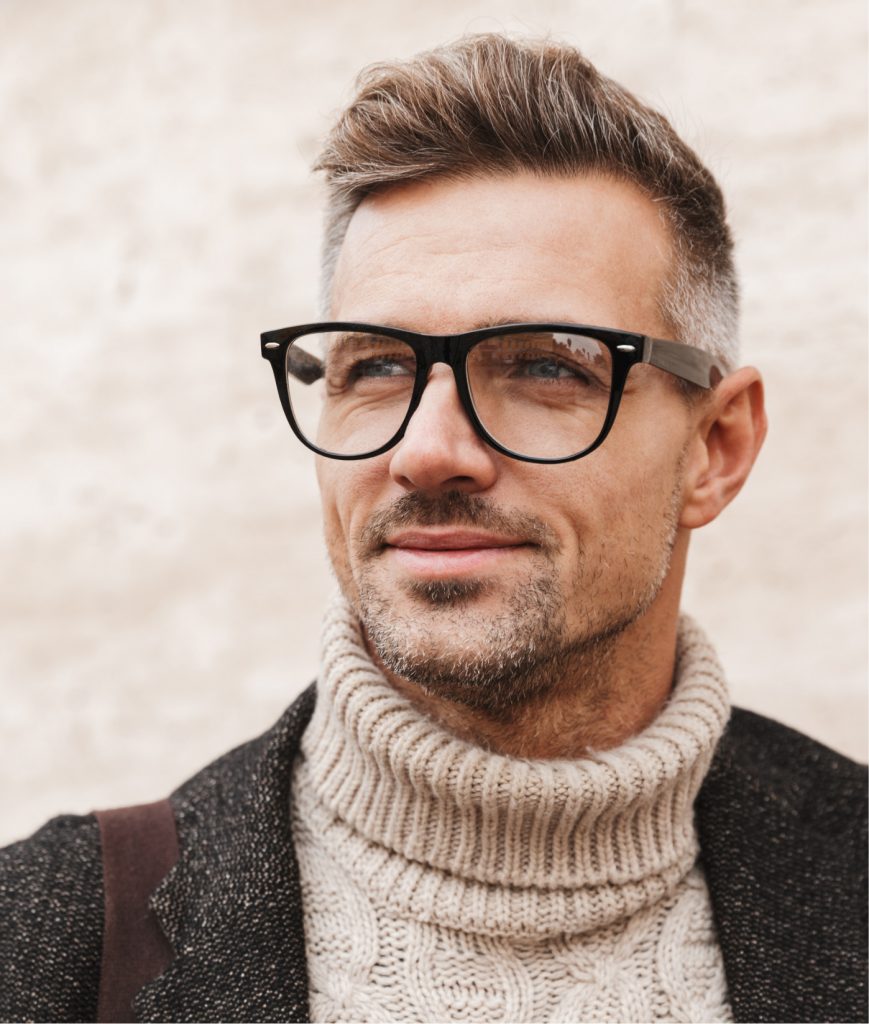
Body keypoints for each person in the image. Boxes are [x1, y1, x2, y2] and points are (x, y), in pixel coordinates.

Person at [1, 34, 865, 1024]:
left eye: (545, 365)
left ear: (714, 447)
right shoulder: (42, 947)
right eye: (375, 367)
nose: (428, 450)